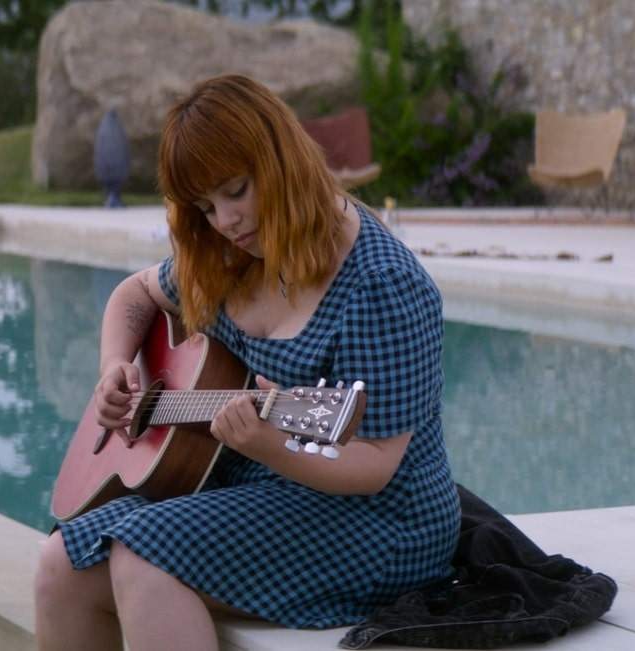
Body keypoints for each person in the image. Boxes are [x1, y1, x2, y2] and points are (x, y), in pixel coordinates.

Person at [34, 74, 461, 651]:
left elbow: (375, 463)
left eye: (235, 191)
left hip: (379, 521)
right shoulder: (229, 253)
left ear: (280, 160)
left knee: (143, 555)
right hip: (260, 484)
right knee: (59, 565)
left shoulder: (380, 284)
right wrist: (114, 365)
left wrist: (266, 444)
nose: (225, 220)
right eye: (206, 207)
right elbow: (136, 294)